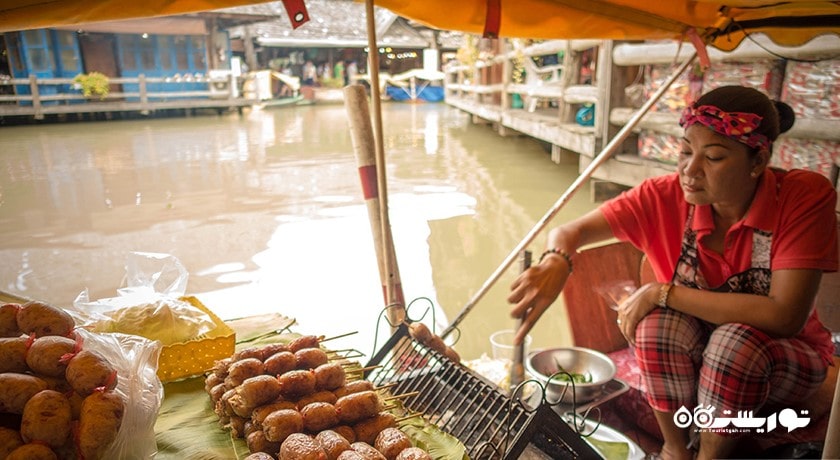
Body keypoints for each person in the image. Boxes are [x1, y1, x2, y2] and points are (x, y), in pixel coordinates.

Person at [507, 85, 838, 460]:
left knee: (733, 344)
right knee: (654, 326)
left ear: (758, 160)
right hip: (697, 358)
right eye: (685, 151)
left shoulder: (800, 196)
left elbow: (785, 315)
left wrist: (661, 292)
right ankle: (675, 449)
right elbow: (571, 232)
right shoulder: (662, 197)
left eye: (713, 157)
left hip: (783, 360)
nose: (690, 170)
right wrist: (557, 260)